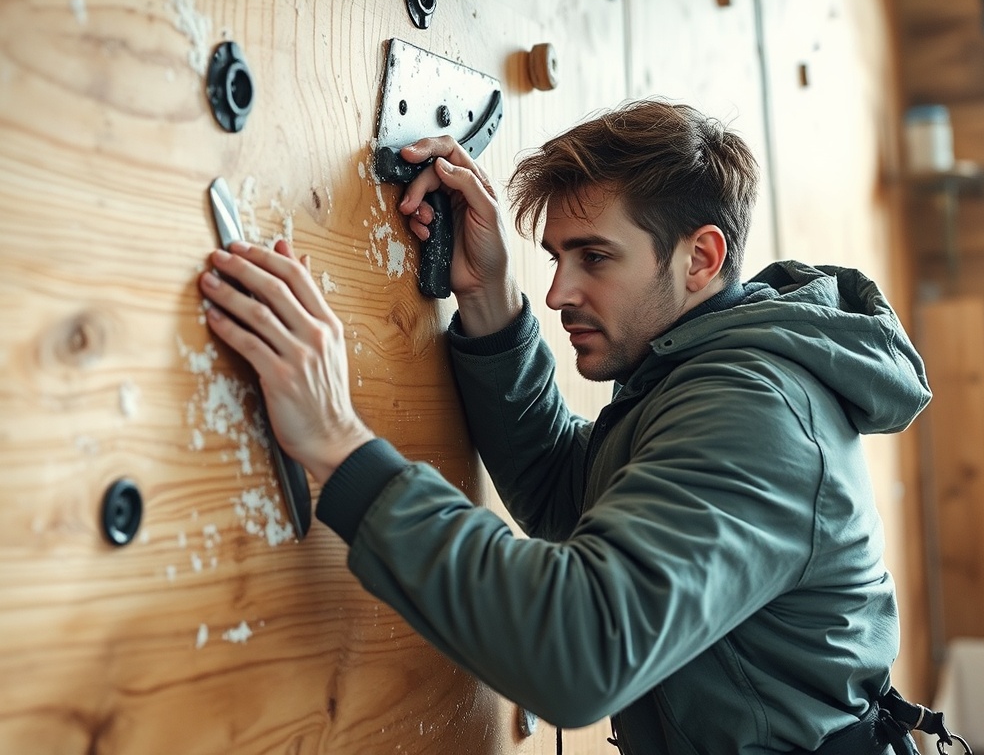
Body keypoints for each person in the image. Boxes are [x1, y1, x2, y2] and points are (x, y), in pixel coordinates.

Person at [198, 100, 939, 754]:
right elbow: (566, 489)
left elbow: (582, 650)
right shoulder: (699, 376)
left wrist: (337, 442)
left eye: (594, 257)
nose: (558, 291)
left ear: (700, 258)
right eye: (555, 257)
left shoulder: (757, 410)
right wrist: (488, 296)